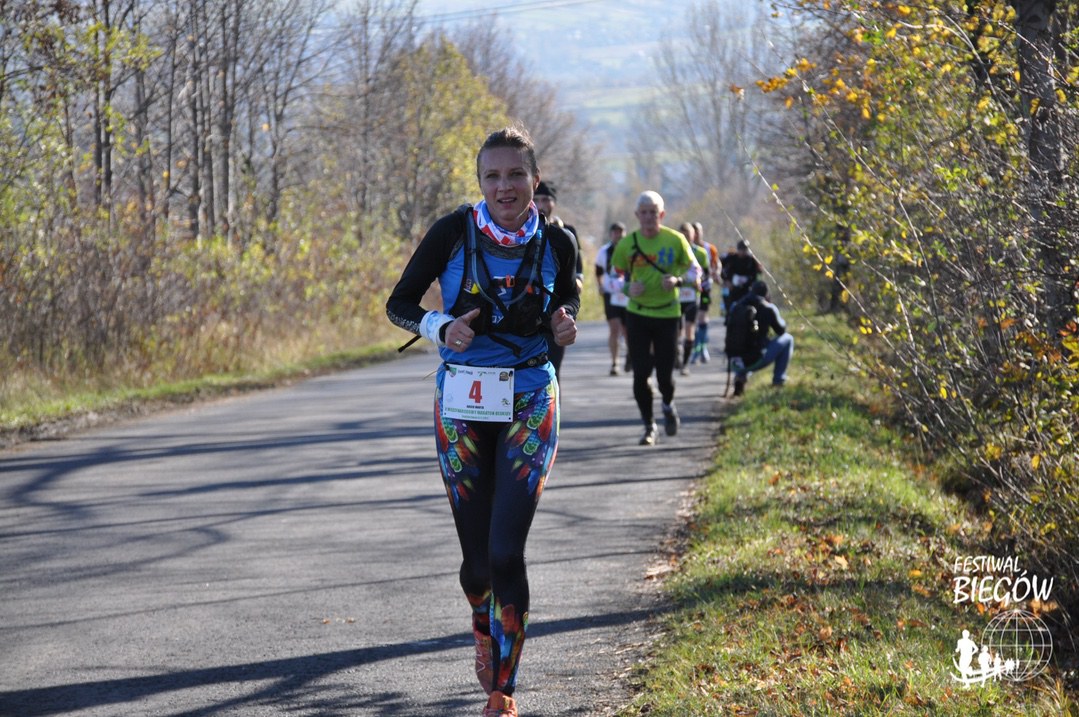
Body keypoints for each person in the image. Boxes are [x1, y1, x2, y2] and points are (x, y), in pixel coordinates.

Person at [385, 125, 579, 717]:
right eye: (492, 176)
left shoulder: (557, 240)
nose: (504, 187)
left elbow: (568, 299)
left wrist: (564, 322)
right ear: (480, 182)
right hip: (463, 405)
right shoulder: (452, 231)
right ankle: (481, 617)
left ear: (535, 180)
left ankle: (503, 692)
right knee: (476, 565)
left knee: (505, 552)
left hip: (531, 399)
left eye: (516, 174)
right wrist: (442, 327)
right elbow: (399, 304)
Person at [611, 191, 699, 445]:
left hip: (668, 314)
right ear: (637, 215)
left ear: (662, 214)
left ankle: (668, 405)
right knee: (640, 374)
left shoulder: (676, 240)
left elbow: (696, 271)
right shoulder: (627, 244)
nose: (649, 217)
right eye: (644, 212)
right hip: (637, 314)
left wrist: (678, 280)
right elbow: (612, 278)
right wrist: (627, 287)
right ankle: (649, 425)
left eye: (653, 212)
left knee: (664, 376)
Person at [533, 181, 583, 382]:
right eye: (536, 199)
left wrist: (577, 282)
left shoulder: (566, 232)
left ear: (553, 203)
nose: (541, 204)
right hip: (529, 312)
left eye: (546, 199)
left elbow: (577, 268)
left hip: (555, 312)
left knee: (551, 371)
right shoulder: (521, 231)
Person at [726, 280, 792, 396]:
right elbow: (781, 330)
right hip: (755, 360)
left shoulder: (736, 306)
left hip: (734, 361)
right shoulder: (768, 308)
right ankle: (778, 380)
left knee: (744, 343)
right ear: (766, 294)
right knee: (788, 339)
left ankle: (740, 377)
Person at [595, 221, 630, 375]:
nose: (618, 235)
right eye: (616, 232)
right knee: (614, 329)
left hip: (627, 293)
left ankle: (630, 355)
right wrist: (600, 286)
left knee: (627, 330)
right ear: (611, 234)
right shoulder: (604, 251)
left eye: (621, 232)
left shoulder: (630, 249)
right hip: (611, 293)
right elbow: (598, 271)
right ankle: (615, 363)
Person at [676, 222, 708, 376]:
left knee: (689, 330)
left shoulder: (701, 253)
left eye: (688, 235)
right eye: (682, 235)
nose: (686, 237)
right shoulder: (674, 252)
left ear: (693, 235)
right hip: (676, 296)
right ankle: (677, 355)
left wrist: (699, 281)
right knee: (677, 332)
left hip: (692, 297)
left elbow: (706, 273)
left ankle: (685, 364)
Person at [689, 221, 720, 364]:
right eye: (694, 232)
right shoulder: (686, 248)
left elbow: (717, 264)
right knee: (691, 320)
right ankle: (695, 348)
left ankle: (703, 347)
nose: (696, 234)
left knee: (702, 317)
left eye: (698, 231)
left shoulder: (709, 248)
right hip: (689, 289)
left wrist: (716, 273)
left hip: (705, 288)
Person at [720, 238, 764, 309]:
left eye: (745, 250)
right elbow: (720, 267)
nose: (743, 252)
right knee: (731, 308)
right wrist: (726, 281)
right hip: (732, 289)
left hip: (747, 289)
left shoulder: (752, 260)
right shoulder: (731, 258)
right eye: (741, 249)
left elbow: (757, 274)